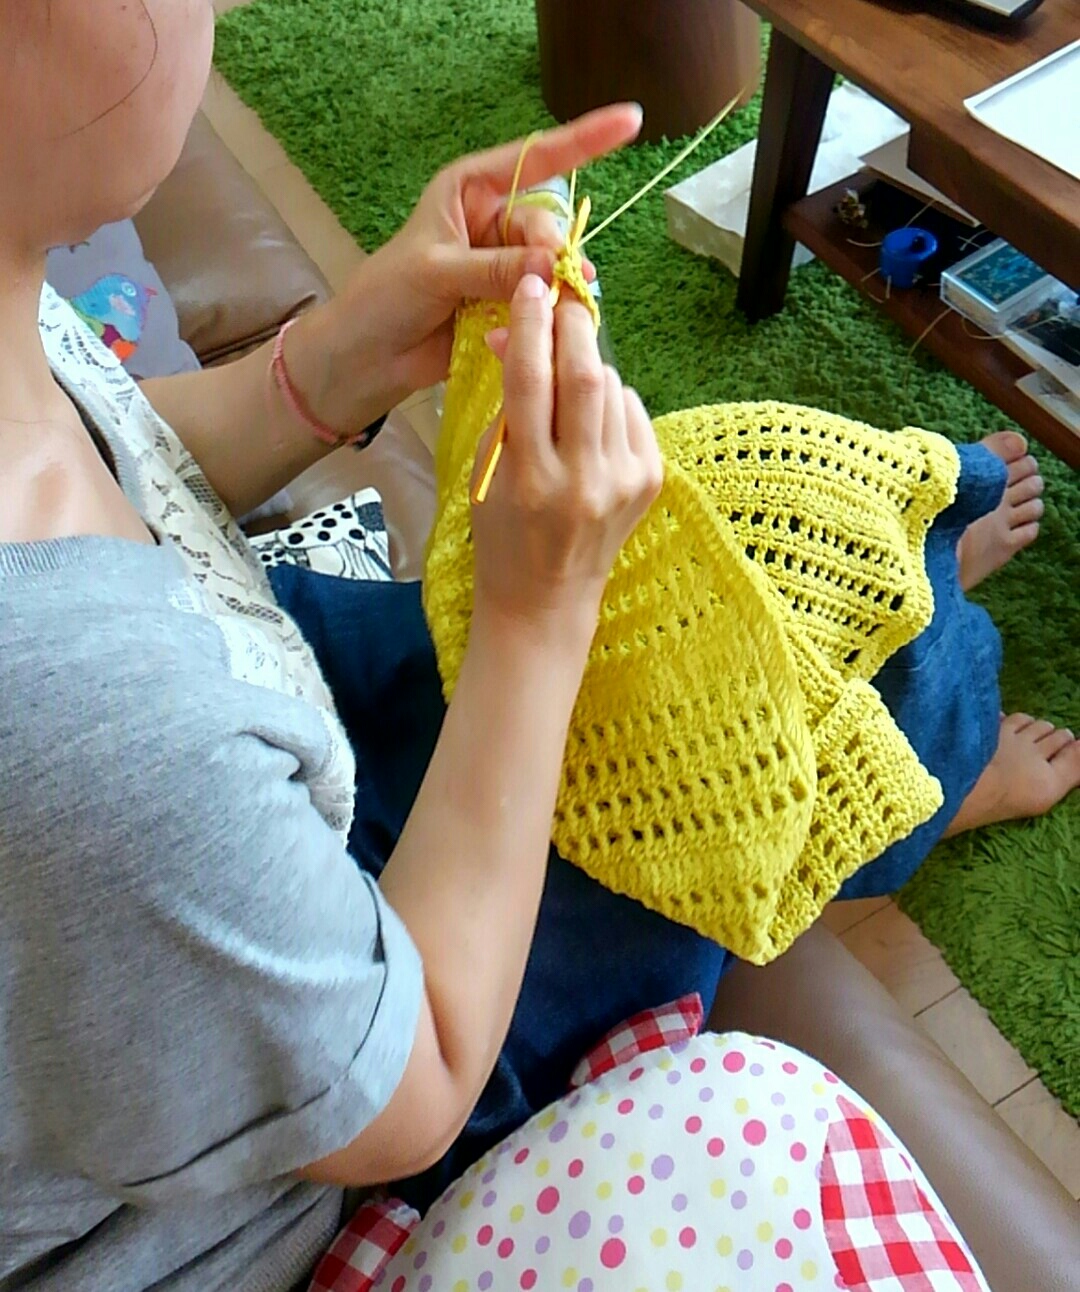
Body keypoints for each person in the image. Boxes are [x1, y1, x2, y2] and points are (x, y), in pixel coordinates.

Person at [0, 3, 1076, 1290]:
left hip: (233, 773)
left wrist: (331, 363)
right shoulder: (89, 732)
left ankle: (917, 573)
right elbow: (414, 1083)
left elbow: (108, 456)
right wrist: (535, 614)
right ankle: (930, 770)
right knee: (721, 744)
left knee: (726, 533)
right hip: (326, 1127)